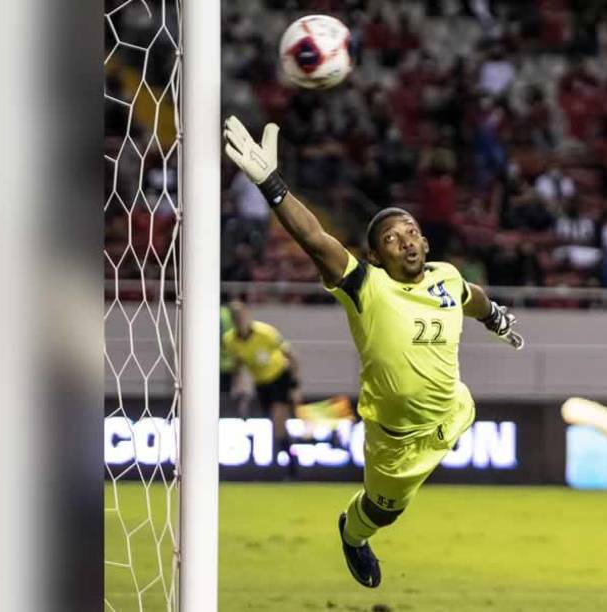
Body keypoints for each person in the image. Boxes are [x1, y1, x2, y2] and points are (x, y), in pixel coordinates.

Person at [223, 116, 524, 589]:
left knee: (460, 406)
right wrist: (272, 183)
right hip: (396, 440)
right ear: (377, 255)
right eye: (390, 238)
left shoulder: (446, 275)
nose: (404, 239)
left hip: (452, 410)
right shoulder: (367, 285)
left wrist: (495, 318)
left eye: (410, 231)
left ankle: (423, 453)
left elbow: (472, 295)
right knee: (383, 513)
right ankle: (352, 533)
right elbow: (316, 241)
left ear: (424, 241)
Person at [221, 300, 303, 478]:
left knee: (278, 420)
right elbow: (239, 368)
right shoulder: (230, 341)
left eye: (241, 316)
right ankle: (290, 456)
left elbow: (291, 356)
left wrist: (295, 386)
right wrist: (242, 395)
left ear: (247, 316)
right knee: (276, 426)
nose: (240, 321)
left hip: (280, 378)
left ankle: (291, 467)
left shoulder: (265, 332)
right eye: (236, 318)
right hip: (262, 384)